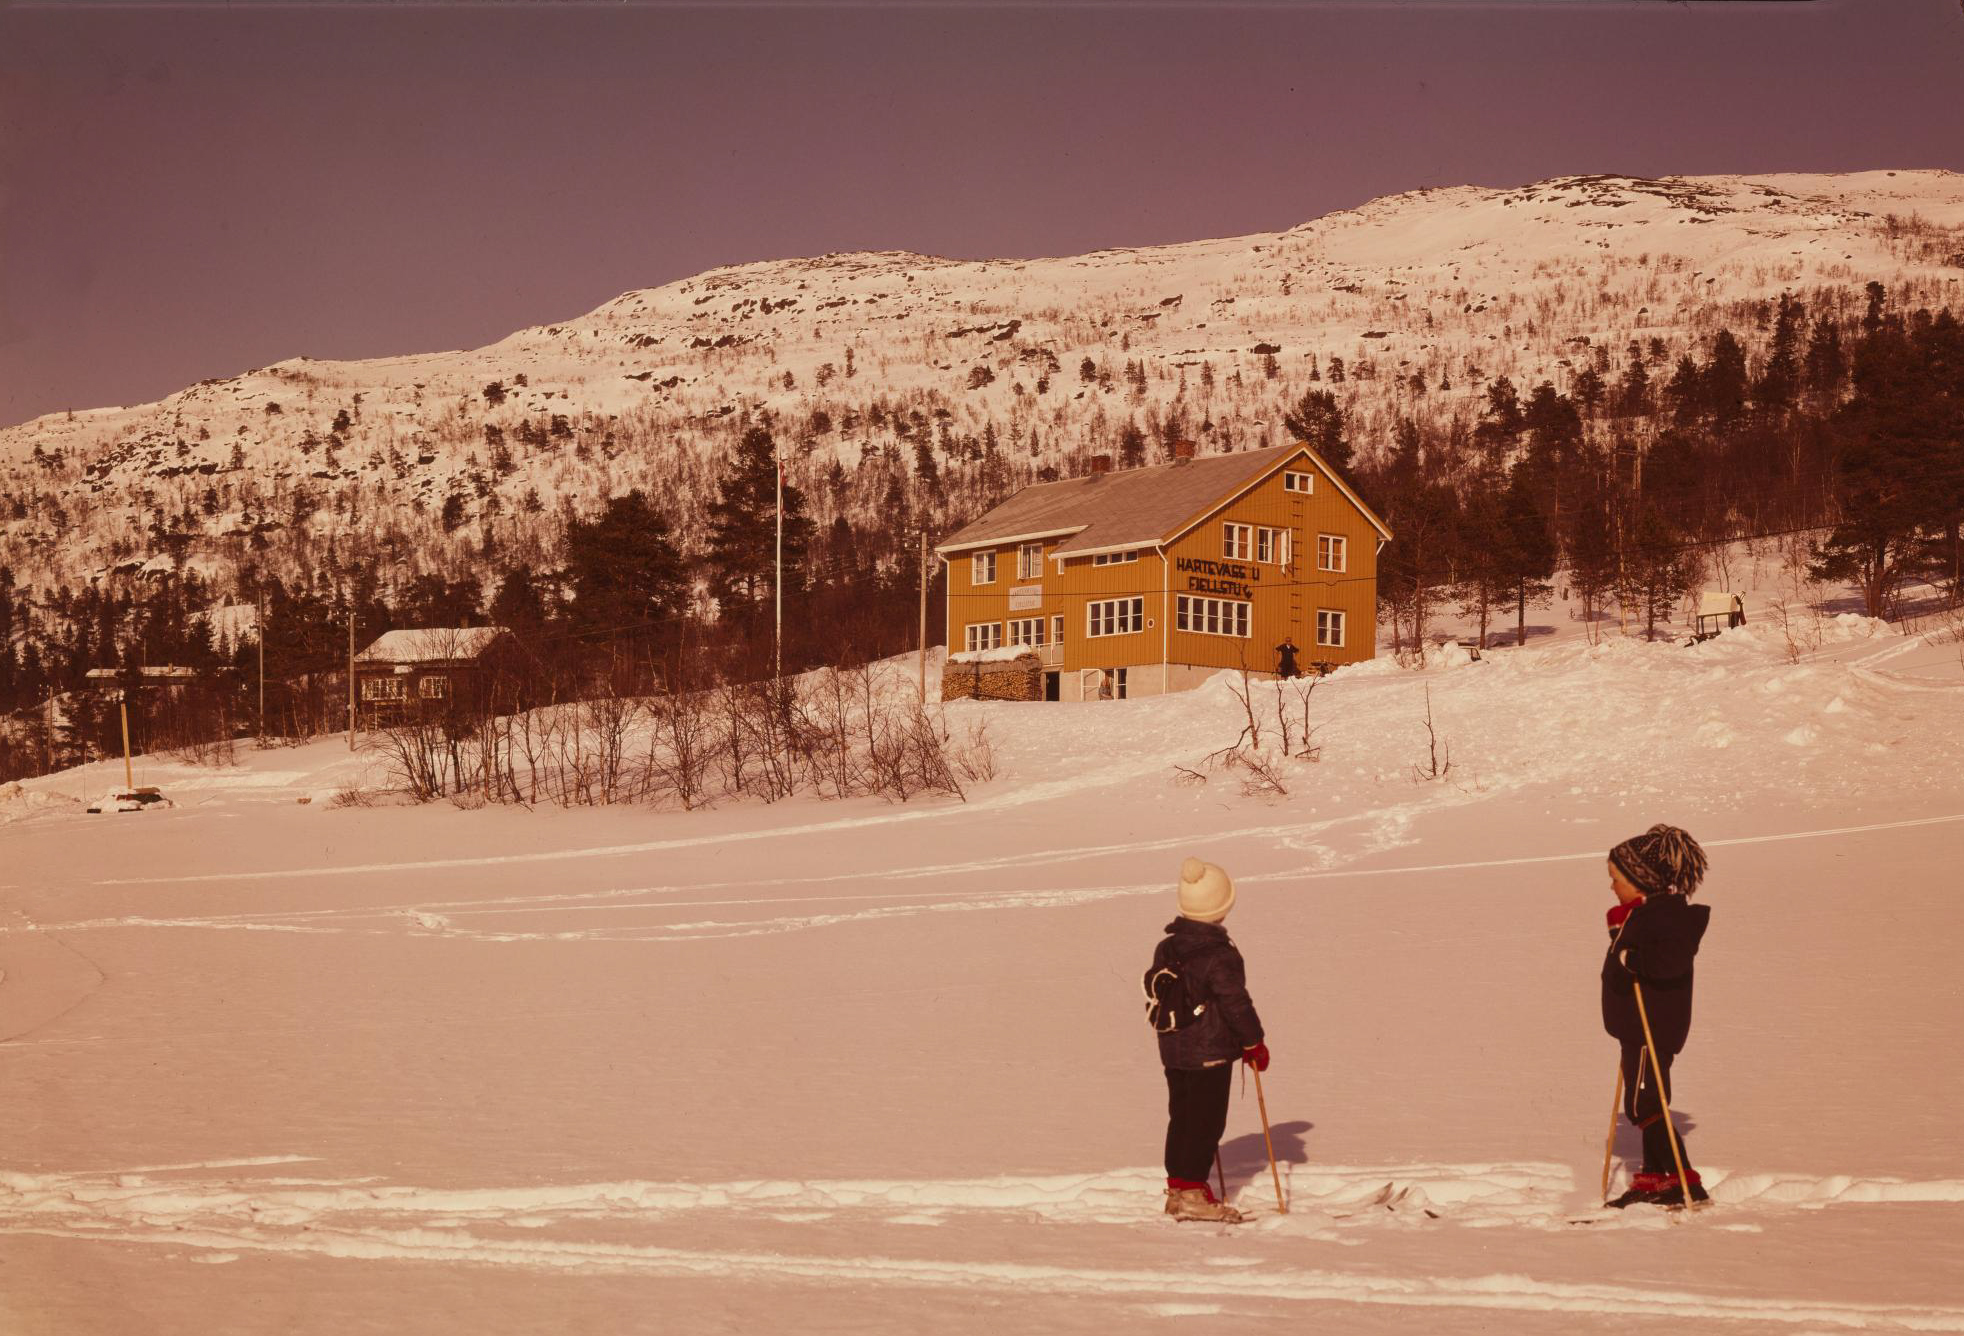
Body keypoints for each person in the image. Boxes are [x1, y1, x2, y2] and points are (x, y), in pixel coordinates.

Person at [1147, 857, 1269, 1223]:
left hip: (1173, 1049)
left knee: (1182, 1118)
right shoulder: (1218, 954)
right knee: (1206, 1123)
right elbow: (1235, 1002)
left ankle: (1179, 1189)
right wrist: (1253, 1042)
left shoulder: (1168, 946)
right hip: (1209, 1052)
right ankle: (1192, 1194)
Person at [1601, 824, 1713, 1208]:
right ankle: (1654, 1180)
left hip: (1651, 1028)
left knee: (1645, 1104)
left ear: (1641, 880)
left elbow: (1668, 964)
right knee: (1645, 1102)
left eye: (1617, 879)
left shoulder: (1666, 919)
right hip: (1636, 1027)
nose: (1612, 886)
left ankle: (1684, 1182)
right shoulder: (1643, 916)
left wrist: (1630, 956)